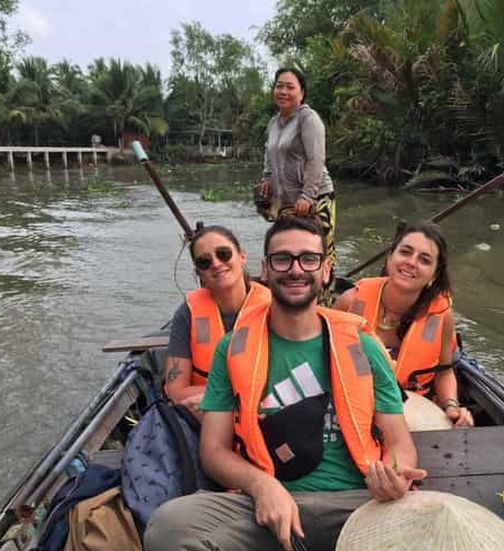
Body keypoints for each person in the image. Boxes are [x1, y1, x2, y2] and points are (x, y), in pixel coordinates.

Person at [144, 217, 426, 551]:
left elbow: (399, 443)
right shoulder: (233, 349)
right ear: (264, 269)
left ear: (326, 271)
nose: (296, 269)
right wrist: (262, 486)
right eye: (282, 259)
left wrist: (392, 475)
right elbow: (213, 452)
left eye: (309, 259)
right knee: (168, 530)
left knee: (440, 528)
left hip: (361, 507)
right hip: (269, 514)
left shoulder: (364, 345)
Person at [334, 222, 474, 428]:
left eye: (424, 260)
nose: (411, 262)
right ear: (390, 257)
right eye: (405, 252)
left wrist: (451, 406)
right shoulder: (350, 302)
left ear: (434, 275)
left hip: (414, 410)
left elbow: (444, 371)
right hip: (354, 406)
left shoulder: (441, 316)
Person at [164, 225, 270, 419]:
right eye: (205, 261)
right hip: (204, 418)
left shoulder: (273, 308)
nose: (216, 263)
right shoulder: (187, 313)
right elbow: (175, 391)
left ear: (242, 256)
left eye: (224, 254)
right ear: (199, 273)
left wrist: (221, 399)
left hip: (261, 414)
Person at [257, 67, 336, 299]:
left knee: (318, 255)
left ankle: (324, 307)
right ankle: (289, 304)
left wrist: (308, 197)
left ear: (302, 93)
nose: (283, 91)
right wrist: (267, 179)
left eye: (290, 87)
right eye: (279, 85)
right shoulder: (273, 122)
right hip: (286, 202)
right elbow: (269, 157)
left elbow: (316, 160)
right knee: (287, 254)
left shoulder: (308, 119)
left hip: (316, 198)